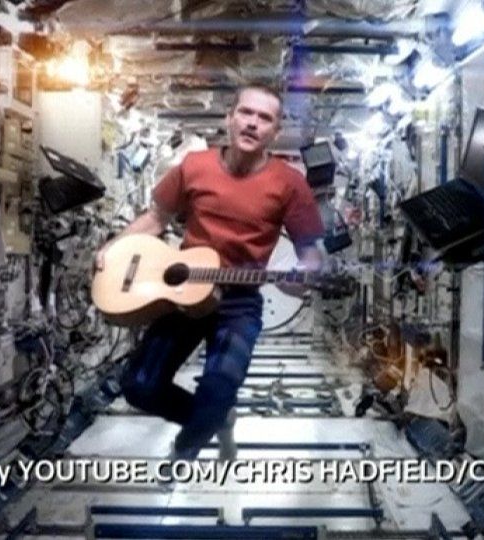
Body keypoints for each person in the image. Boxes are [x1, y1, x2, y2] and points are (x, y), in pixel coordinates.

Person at [94, 83, 325, 461]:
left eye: (264, 118)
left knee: (218, 389)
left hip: (239, 303)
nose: (252, 123)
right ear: (229, 118)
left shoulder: (290, 183)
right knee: (138, 386)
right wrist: (114, 248)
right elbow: (156, 218)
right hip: (183, 293)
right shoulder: (194, 166)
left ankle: (185, 449)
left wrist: (301, 279)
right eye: (245, 112)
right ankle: (213, 420)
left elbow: (310, 254)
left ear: (275, 131)